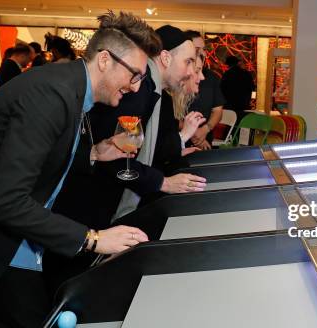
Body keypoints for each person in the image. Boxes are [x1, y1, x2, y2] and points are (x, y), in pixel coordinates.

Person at [0, 11, 161, 327]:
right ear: (104, 60)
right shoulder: (52, 95)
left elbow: (43, 153)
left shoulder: (68, 89)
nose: (136, 87)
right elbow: (6, 201)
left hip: (5, 245)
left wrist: (95, 153)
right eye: (135, 75)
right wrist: (93, 238)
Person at [43, 24, 207, 296]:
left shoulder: (152, 93)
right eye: (189, 61)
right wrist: (162, 182)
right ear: (165, 58)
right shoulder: (140, 91)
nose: (193, 71)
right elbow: (115, 156)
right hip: (86, 208)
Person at [184, 30, 225, 150]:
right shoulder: (178, 78)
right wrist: (194, 133)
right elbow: (170, 117)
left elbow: (217, 111)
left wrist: (204, 130)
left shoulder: (212, 77)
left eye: (204, 49)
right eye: (197, 49)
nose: (203, 53)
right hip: (177, 142)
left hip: (205, 140)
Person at [220, 55, 254, 120]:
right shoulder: (246, 73)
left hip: (230, 107)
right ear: (237, 63)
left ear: (228, 65)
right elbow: (252, 87)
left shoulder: (227, 74)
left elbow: (222, 89)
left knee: (231, 126)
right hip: (244, 105)